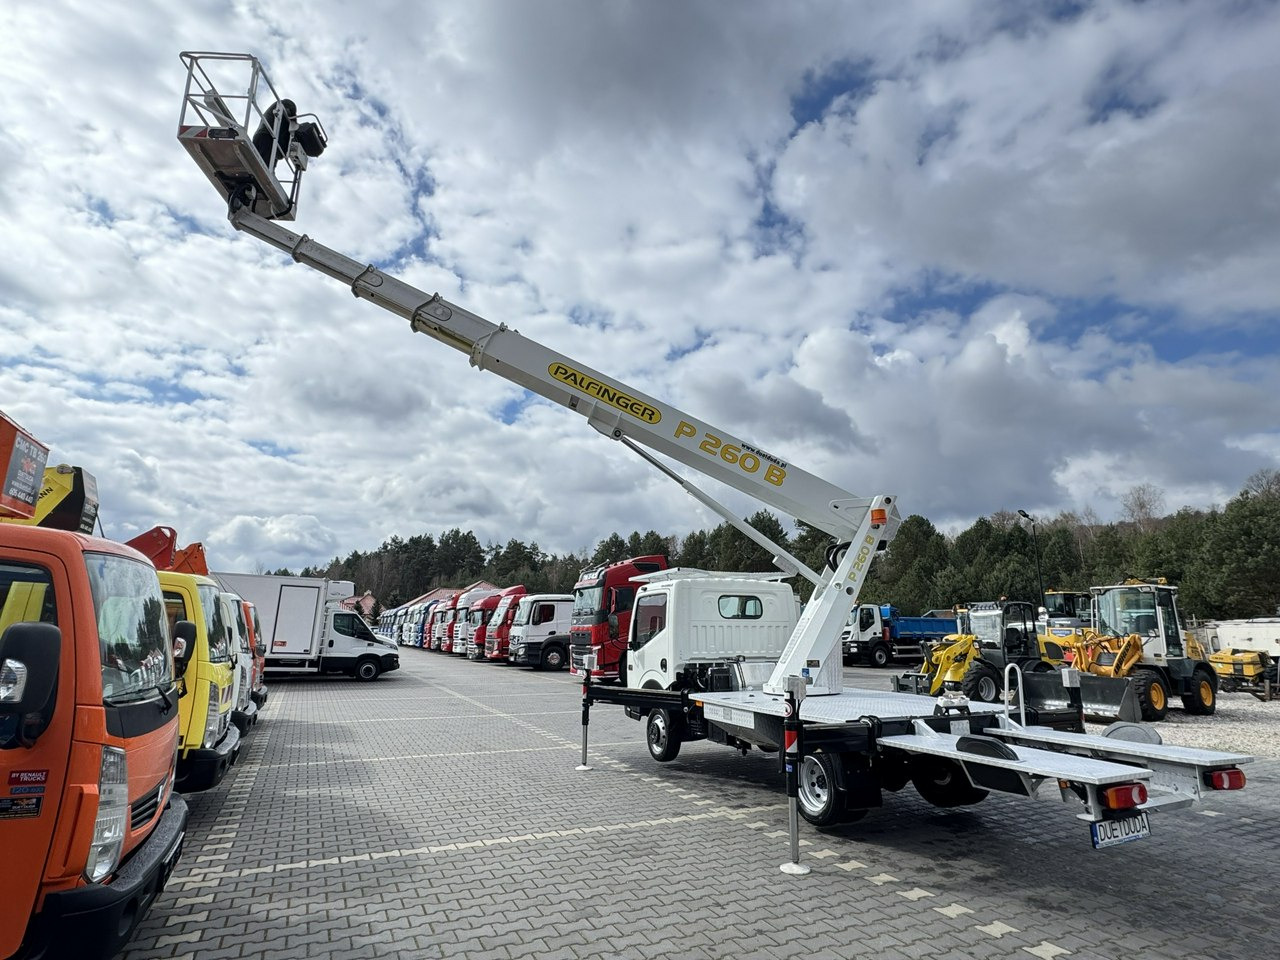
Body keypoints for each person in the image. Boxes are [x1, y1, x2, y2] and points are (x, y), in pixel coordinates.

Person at [252, 99, 296, 166]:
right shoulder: (284, 107)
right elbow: (290, 121)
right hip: (268, 138)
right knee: (265, 168)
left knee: (253, 164)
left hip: (260, 136)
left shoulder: (276, 108)